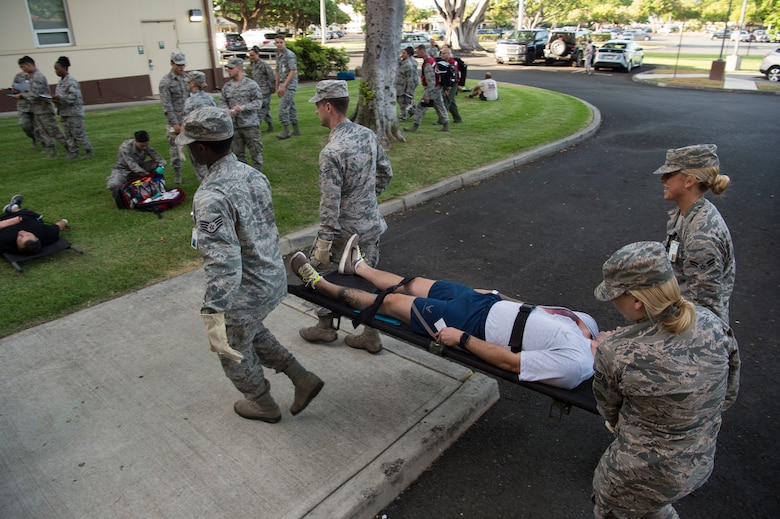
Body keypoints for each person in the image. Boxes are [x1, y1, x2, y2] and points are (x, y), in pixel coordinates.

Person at [290, 235, 599, 389]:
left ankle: (317, 284)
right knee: (414, 284)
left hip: (469, 324)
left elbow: (511, 362)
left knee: (390, 303)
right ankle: (357, 266)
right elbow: (532, 310)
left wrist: (462, 339)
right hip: (485, 303)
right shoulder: (588, 325)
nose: (617, 331)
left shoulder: (576, 365)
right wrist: (495, 294)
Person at [177, 106, 323, 423]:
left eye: (190, 144)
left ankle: (262, 404)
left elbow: (223, 263)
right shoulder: (252, 173)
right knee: (250, 330)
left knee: (230, 347)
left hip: (244, 289)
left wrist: (213, 311)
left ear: (200, 148)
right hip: (271, 277)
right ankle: (301, 377)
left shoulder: (210, 195)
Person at [591, 241, 740, 519]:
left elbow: (609, 409)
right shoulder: (711, 323)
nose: (612, 301)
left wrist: (618, 347)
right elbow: (728, 392)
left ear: (637, 300)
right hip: (698, 461)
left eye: (615, 294)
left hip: (637, 475)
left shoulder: (615, 351)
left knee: (615, 509)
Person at [299, 80, 394, 353]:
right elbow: (386, 172)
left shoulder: (331, 151)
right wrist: (366, 199)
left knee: (317, 275)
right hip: (371, 226)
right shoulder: (366, 134)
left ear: (328, 107)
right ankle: (371, 334)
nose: (316, 111)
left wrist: (323, 243)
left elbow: (330, 202)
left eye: (317, 106)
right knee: (370, 279)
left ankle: (325, 327)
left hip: (344, 232)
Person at [654, 144, 735, 323]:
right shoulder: (687, 214)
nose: (662, 179)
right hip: (681, 320)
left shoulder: (701, 236)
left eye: (669, 174)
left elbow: (705, 312)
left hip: (692, 334)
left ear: (689, 181)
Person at [14, 56, 76, 158]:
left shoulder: (38, 76)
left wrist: (21, 95)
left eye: (24, 67)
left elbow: (36, 94)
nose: (23, 70)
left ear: (29, 65)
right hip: (36, 109)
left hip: (44, 109)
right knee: (43, 132)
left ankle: (69, 149)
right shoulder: (30, 76)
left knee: (53, 130)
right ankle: (52, 150)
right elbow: (25, 89)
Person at [219, 57, 264, 170]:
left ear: (239, 68)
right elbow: (222, 102)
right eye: (227, 68)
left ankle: (257, 178)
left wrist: (243, 108)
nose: (228, 70)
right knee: (238, 155)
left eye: (231, 68)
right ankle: (242, 177)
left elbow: (258, 102)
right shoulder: (227, 87)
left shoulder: (251, 84)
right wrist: (226, 110)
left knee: (256, 153)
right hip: (234, 126)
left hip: (250, 125)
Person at [52, 56, 94, 158]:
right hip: (64, 112)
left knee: (78, 133)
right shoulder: (60, 82)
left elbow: (73, 97)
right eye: (55, 69)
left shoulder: (71, 81)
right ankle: (73, 152)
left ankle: (89, 151)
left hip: (74, 113)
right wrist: (55, 100)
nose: (56, 71)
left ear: (65, 68)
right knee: (68, 134)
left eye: (57, 69)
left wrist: (60, 98)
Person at [0, 195, 69, 255]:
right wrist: (65, 222)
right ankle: (13, 208)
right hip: (27, 217)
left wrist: (11, 222)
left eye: (20, 237)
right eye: (28, 235)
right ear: (37, 238)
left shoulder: (4, 242)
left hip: (7, 219)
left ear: (18, 247)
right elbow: (58, 226)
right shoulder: (45, 234)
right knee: (31, 215)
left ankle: (13, 208)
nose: (21, 232)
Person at [158, 51, 189, 184]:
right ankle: (177, 173)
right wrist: (175, 123)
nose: (181, 67)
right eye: (178, 65)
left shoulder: (187, 78)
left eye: (183, 65)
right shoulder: (166, 82)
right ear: (172, 64)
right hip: (175, 120)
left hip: (189, 118)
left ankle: (202, 171)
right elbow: (166, 105)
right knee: (175, 148)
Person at [405, 45, 449, 133]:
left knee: (421, 107)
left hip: (432, 89)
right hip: (437, 87)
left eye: (417, 52)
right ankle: (445, 125)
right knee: (439, 106)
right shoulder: (430, 60)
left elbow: (431, 80)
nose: (416, 54)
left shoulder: (428, 63)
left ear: (422, 52)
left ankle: (415, 126)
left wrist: (427, 94)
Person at [182, 71, 217, 181]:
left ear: (192, 84)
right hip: (212, 137)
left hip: (197, 138)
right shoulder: (210, 98)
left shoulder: (190, 101)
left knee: (200, 167)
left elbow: (187, 122)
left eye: (189, 82)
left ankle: (208, 190)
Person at [274, 35, 300, 139]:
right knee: (291, 107)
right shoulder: (278, 55)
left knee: (283, 108)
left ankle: (286, 130)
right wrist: (276, 87)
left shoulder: (289, 55)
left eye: (281, 42)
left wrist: (284, 86)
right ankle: (296, 129)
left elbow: (293, 71)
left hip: (290, 85)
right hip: (281, 84)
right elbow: (277, 71)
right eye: (277, 43)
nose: (279, 44)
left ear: (284, 42)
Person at [247, 45, 276, 132]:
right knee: (265, 109)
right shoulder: (254, 65)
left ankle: (256, 125)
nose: (251, 57)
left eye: (253, 55)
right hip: (258, 90)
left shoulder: (263, 64)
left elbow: (271, 76)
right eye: (250, 56)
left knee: (261, 109)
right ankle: (270, 125)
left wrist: (272, 88)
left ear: (257, 54)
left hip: (265, 90)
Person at [11, 65, 39, 148]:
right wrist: (14, 91)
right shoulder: (18, 76)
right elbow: (14, 88)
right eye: (21, 67)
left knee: (39, 127)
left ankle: (45, 144)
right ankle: (34, 139)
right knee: (25, 125)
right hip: (23, 105)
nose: (23, 68)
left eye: (24, 66)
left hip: (35, 104)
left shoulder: (37, 76)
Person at [439, 46, 462, 124]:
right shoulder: (444, 62)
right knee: (451, 102)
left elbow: (454, 76)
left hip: (452, 84)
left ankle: (442, 119)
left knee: (446, 101)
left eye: (444, 53)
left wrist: (449, 87)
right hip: (448, 84)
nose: (442, 55)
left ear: (449, 54)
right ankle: (457, 118)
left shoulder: (452, 63)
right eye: (442, 53)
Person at [395, 46, 418, 122]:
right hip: (398, 86)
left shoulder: (408, 65)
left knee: (403, 102)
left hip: (404, 86)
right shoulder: (401, 62)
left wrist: (409, 89)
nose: (402, 54)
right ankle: (413, 111)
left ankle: (403, 116)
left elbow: (410, 78)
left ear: (408, 54)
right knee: (401, 101)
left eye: (404, 53)